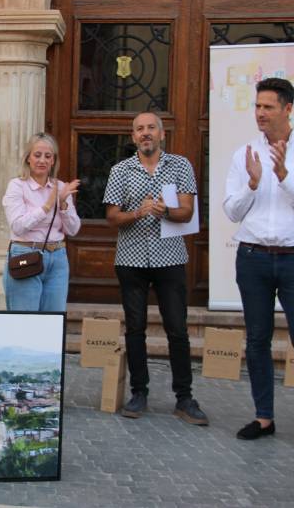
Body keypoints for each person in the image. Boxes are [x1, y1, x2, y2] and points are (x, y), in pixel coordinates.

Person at [223, 78, 294, 457]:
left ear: (287, 109)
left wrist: (284, 176)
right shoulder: (244, 153)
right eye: (257, 106)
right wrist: (252, 185)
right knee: (257, 340)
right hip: (252, 257)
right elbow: (231, 211)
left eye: (268, 107)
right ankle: (264, 417)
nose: (260, 113)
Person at [102, 111, 208, 425]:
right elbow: (112, 217)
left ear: (162, 134)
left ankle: (184, 398)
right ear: (133, 136)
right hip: (131, 260)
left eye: (151, 128)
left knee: (177, 329)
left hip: (170, 258)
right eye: (140, 129)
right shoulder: (120, 170)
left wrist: (166, 211)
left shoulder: (181, 165)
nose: (145, 133)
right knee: (135, 329)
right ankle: (139, 393)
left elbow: (187, 212)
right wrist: (138, 212)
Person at [2, 132, 80, 311]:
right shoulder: (17, 186)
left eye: (48, 156)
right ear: (28, 158)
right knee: (25, 321)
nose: (42, 160)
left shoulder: (61, 187)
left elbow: (73, 229)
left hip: (58, 258)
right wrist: (47, 206)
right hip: (25, 254)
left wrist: (63, 204)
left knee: (53, 320)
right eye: (37, 155)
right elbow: (18, 226)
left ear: (53, 161)